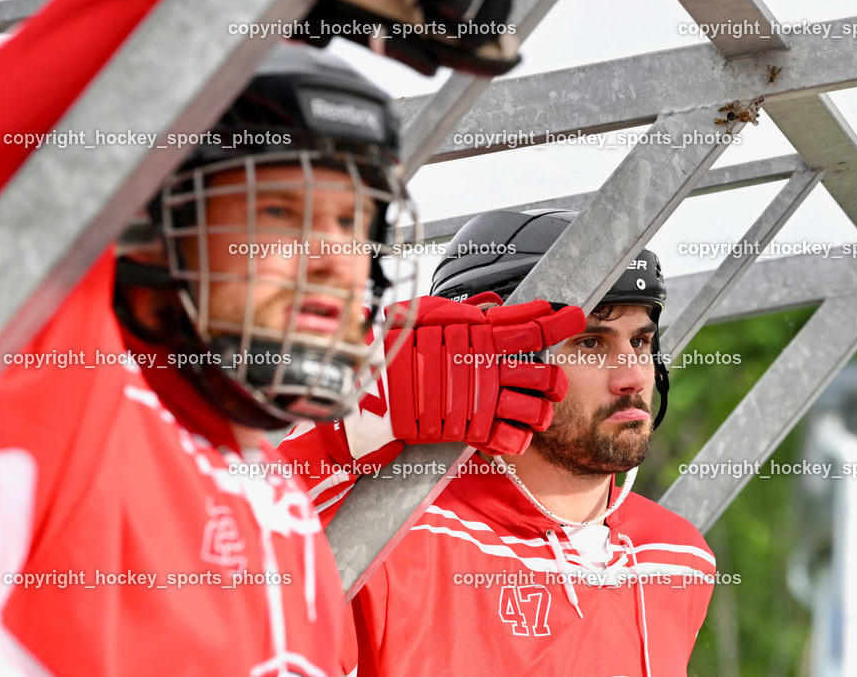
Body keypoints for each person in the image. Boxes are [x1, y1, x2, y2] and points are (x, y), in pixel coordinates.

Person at [0, 0, 580, 673]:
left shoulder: (282, 513)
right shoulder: (72, 412)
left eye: (354, 224)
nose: (333, 259)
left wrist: (353, 427)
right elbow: (3, 174)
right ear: (150, 235)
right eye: (279, 210)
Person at [280, 209, 717, 677]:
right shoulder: (385, 527)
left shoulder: (679, 554)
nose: (633, 376)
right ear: (492, 356)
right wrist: (346, 412)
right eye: (591, 343)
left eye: (641, 342)